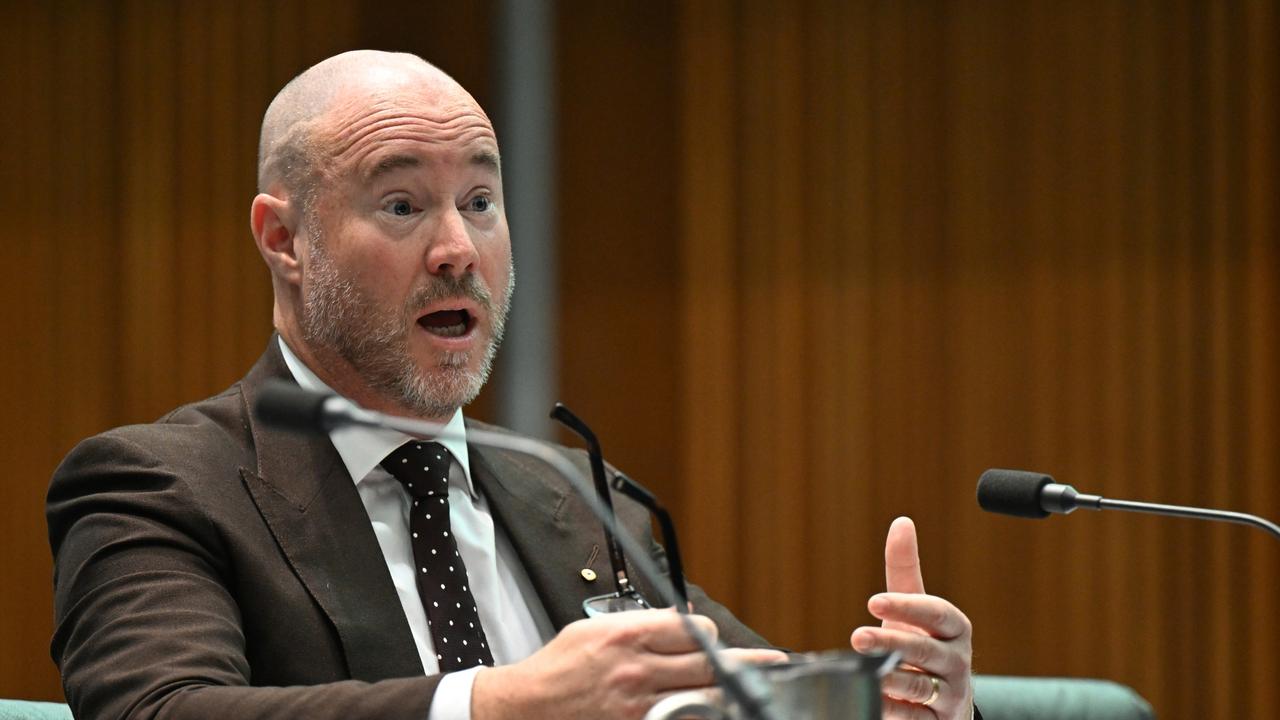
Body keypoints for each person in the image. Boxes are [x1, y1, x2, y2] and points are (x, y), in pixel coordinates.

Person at [47, 50, 975, 720]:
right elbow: (157, 710)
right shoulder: (161, 487)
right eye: (403, 204)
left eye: (481, 202)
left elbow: (752, 692)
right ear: (285, 240)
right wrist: (495, 706)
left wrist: (896, 705)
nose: (458, 251)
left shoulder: (574, 496)